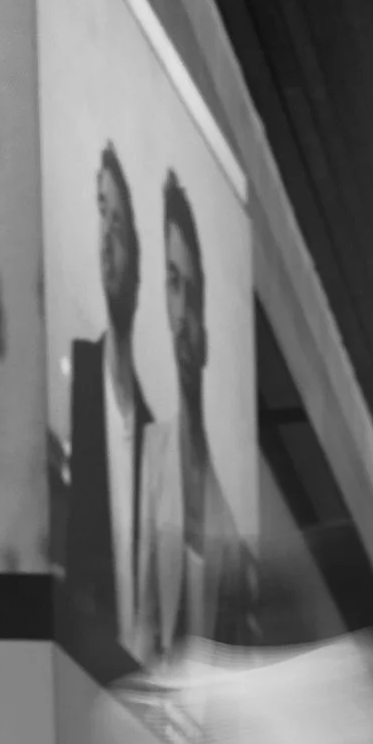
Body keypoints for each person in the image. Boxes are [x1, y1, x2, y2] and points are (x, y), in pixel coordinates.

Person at [57, 145, 154, 678]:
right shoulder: (74, 380)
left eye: (119, 222)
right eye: (101, 215)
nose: (107, 238)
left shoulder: (152, 436)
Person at [147, 173, 253, 656]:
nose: (183, 310)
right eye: (172, 284)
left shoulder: (231, 540)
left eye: (191, 289)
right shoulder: (143, 463)